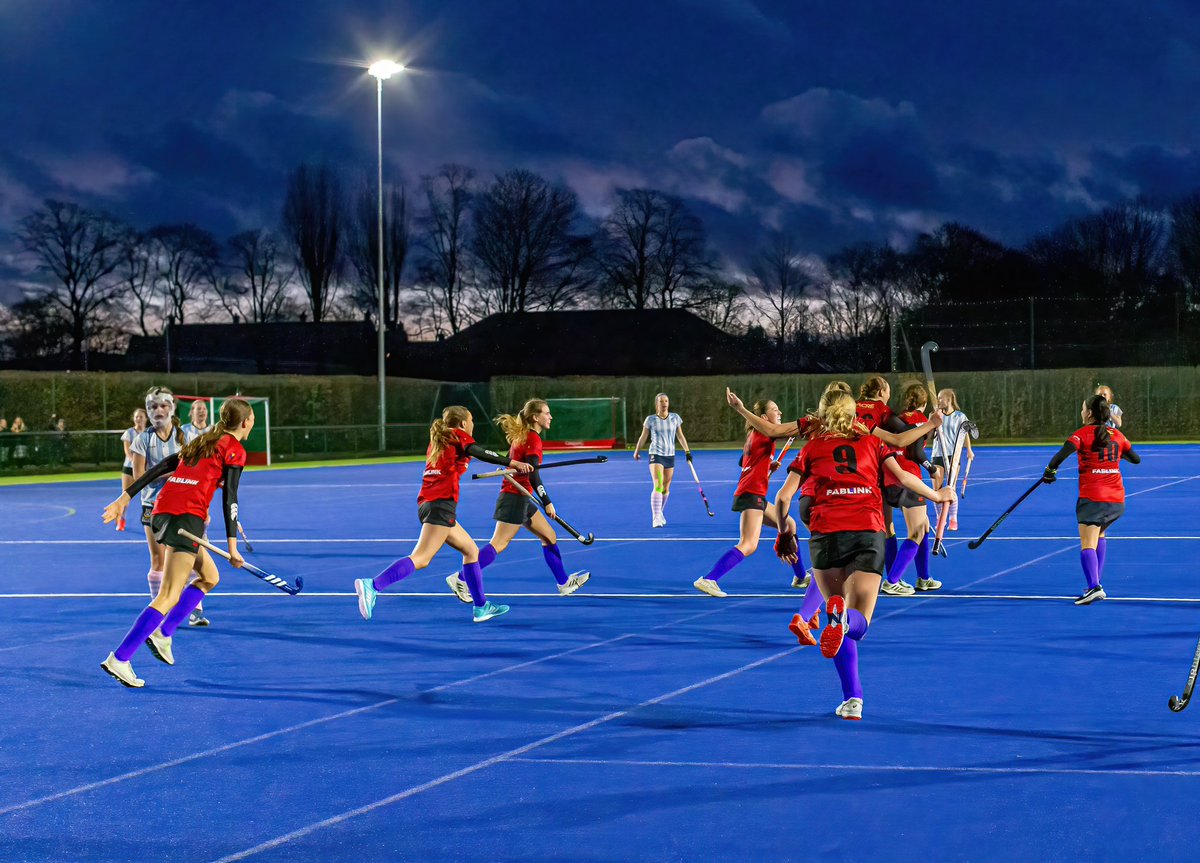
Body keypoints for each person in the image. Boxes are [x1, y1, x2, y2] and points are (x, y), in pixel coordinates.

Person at [773, 389, 953, 720]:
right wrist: (938, 495)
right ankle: (844, 632)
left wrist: (786, 532)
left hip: (826, 534)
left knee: (835, 613)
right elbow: (902, 476)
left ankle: (852, 698)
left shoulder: (812, 446)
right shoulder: (873, 442)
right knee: (858, 622)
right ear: (854, 412)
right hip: (868, 532)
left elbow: (784, 497)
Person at [98, 399, 256, 687]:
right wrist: (233, 549)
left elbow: (164, 466)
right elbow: (230, 498)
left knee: (209, 577)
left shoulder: (205, 440)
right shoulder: (234, 449)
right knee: (169, 594)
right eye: (252, 418)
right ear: (245, 422)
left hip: (163, 512)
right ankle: (120, 659)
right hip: (185, 517)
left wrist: (127, 496)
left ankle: (164, 633)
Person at [355, 406, 532, 623]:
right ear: (463, 423)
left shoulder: (440, 440)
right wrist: (512, 462)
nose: (473, 424)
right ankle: (372, 585)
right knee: (421, 558)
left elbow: (469, 455)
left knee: (471, 551)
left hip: (431, 504)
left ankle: (481, 607)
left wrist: (506, 464)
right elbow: (478, 451)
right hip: (440, 506)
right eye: (472, 420)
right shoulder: (457, 435)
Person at [445, 399, 590, 602]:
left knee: (549, 536)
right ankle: (461, 578)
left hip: (522, 496)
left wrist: (505, 470)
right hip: (514, 498)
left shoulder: (522, 437)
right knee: (498, 544)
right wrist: (547, 501)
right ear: (535, 417)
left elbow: (517, 463)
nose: (550, 417)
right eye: (547, 413)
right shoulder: (533, 439)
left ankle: (564, 583)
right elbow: (533, 475)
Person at [692, 398, 808, 599]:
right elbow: (780, 432)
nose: (779, 412)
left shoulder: (755, 435)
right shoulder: (765, 432)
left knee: (788, 524)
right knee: (749, 543)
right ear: (763, 417)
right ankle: (709, 579)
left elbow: (744, 462)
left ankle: (800, 577)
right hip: (751, 493)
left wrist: (766, 465)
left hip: (755, 493)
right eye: (774, 409)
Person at [1043, 394, 1140, 605]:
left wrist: (1049, 472)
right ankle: (1095, 583)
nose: (1081, 412)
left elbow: (1060, 455)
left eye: (1082, 409)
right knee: (1100, 534)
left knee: (1087, 543)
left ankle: (1094, 586)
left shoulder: (1081, 434)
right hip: (1117, 500)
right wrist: (1113, 452)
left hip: (1093, 498)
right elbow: (1135, 459)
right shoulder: (1117, 434)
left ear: (1088, 413)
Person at [879, 383, 938, 595]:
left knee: (892, 529)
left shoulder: (894, 419)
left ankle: (923, 578)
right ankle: (892, 580)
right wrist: (931, 468)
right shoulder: (920, 421)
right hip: (908, 478)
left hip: (886, 476)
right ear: (923, 402)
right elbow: (915, 453)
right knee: (918, 530)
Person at [632, 393, 692, 527]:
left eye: (666, 401)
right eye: (661, 401)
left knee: (665, 488)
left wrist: (687, 451)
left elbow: (680, 436)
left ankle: (660, 513)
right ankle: (655, 517)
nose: (664, 403)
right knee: (658, 484)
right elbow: (643, 437)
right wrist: (637, 451)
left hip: (670, 455)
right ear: (657, 404)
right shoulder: (650, 419)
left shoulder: (675, 418)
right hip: (656, 454)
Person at [931, 388, 974, 531]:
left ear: (948, 399)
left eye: (940, 398)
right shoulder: (935, 414)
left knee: (951, 488)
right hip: (937, 454)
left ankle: (953, 519)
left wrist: (969, 450)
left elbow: (965, 433)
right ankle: (939, 519)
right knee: (936, 489)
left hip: (953, 456)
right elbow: (928, 432)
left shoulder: (960, 417)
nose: (938, 401)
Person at [117, 408, 149, 531]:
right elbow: (127, 451)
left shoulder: (149, 433)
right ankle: (121, 519)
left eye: (141, 416)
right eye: (137, 417)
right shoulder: (129, 432)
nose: (139, 419)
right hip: (129, 468)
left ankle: (147, 516)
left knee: (147, 495)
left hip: (145, 469)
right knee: (126, 495)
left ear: (146, 418)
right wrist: (135, 462)